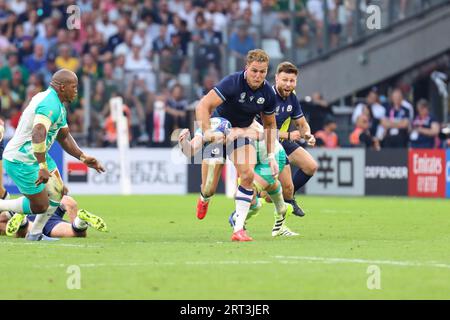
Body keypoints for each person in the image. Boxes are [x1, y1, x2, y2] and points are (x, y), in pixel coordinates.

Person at [0, 69, 105, 241]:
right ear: (62, 87)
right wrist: (42, 167)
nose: (76, 91)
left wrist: (83, 157)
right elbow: (38, 133)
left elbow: (63, 136)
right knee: (41, 205)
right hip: (21, 159)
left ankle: (35, 235)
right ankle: (4, 208)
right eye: (74, 87)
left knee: (58, 193)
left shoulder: (58, 105)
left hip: (36, 156)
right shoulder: (49, 104)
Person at [195, 49, 278, 242]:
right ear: (246, 68)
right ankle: (204, 198)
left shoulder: (267, 93)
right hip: (219, 132)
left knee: (247, 175)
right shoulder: (232, 83)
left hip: (241, 134)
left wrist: (271, 156)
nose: (258, 76)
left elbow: (270, 124)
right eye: (254, 71)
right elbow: (203, 106)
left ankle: (238, 230)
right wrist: (207, 131)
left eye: (263, 72)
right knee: (209, 188)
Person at [178, 120, 298, 239]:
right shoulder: (212, 124)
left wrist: (239, 133)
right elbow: (191, 150)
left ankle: (238, 222)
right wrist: (183, 142)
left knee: (247, 193)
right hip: (255, 158)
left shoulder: (243, 121)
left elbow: (264, 134)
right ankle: (282, 209)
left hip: (273, 158)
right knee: (209, 188)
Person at [269, 61, 317, 217]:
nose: (288, 84)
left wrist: (308, 134)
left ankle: (287, 199)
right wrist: (289, 135)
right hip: (266, 144)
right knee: (267, 191)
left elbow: (301, 123)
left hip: (283, 142)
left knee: (311, 166)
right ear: (276, 79)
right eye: (285, 80)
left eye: (292, 81)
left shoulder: (292, 97)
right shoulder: (267, 97)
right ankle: (239, 215)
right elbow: (261, 131)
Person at [0, 195, 108, 238]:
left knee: (21, 232)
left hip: (31, 216)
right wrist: (73, 219)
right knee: (78, 232)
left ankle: (22, 220)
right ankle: (80, 221)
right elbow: (70, 202)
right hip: (52, 220)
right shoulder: (55, 188)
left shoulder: (28, 194)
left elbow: (2, 219)